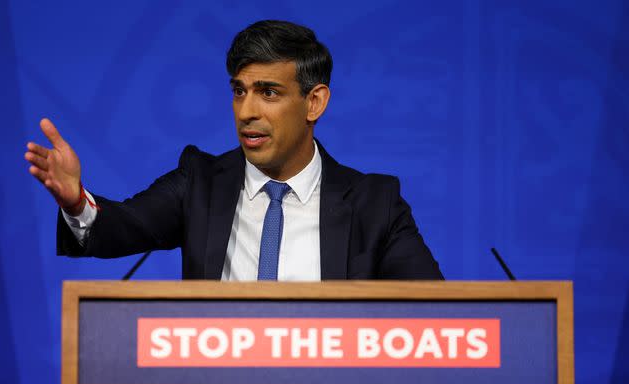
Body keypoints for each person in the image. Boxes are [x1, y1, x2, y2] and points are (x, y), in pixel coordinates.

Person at [24, 20, 443, 281]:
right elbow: (121, 227)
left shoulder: (374, 204)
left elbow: (438, 316)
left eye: (269, 93)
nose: (246, 111)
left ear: (314, 102)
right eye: (239, 92)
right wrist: (78, 201)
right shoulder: (201, 183)